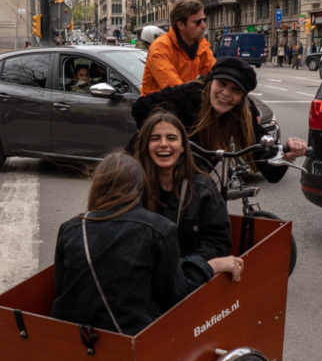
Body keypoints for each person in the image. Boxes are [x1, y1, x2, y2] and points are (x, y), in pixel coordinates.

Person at [51, 152, 214, 336]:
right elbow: (175, 297)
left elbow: (62, 288)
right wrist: (207, 266)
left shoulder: (70, 228)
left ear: (97, 187)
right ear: (140, 187)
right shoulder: (160, 229)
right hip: (131, 337)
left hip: (74, 336)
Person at [132, 56, 307, 185]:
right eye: (222, 84)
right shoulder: (187, 96)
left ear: (241, 98)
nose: (225, 94)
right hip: (155, 175)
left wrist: (286, 155)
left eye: (235, 90)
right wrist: (167, 139)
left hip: (200, 184)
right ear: (211, 82)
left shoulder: (243, 114)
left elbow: (268, 167)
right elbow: (139, 108)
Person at [134, 110, 243, 280]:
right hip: (144, 276)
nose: (164, 144)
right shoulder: (134, 187)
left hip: (190, 279)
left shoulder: (203, 189)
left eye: (171, 138)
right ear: (145, 146)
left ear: (183, 146)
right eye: (155, 138)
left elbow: (217, 242)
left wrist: (183, 267)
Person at [140, 0, 216, 95]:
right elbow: (173, 87)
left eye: (204, 20)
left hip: (181, 103)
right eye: (197, 22)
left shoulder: (201, 45)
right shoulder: (160, 48)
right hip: (155, 106)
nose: (204, 25)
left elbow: (215, 74)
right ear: (180, 25)